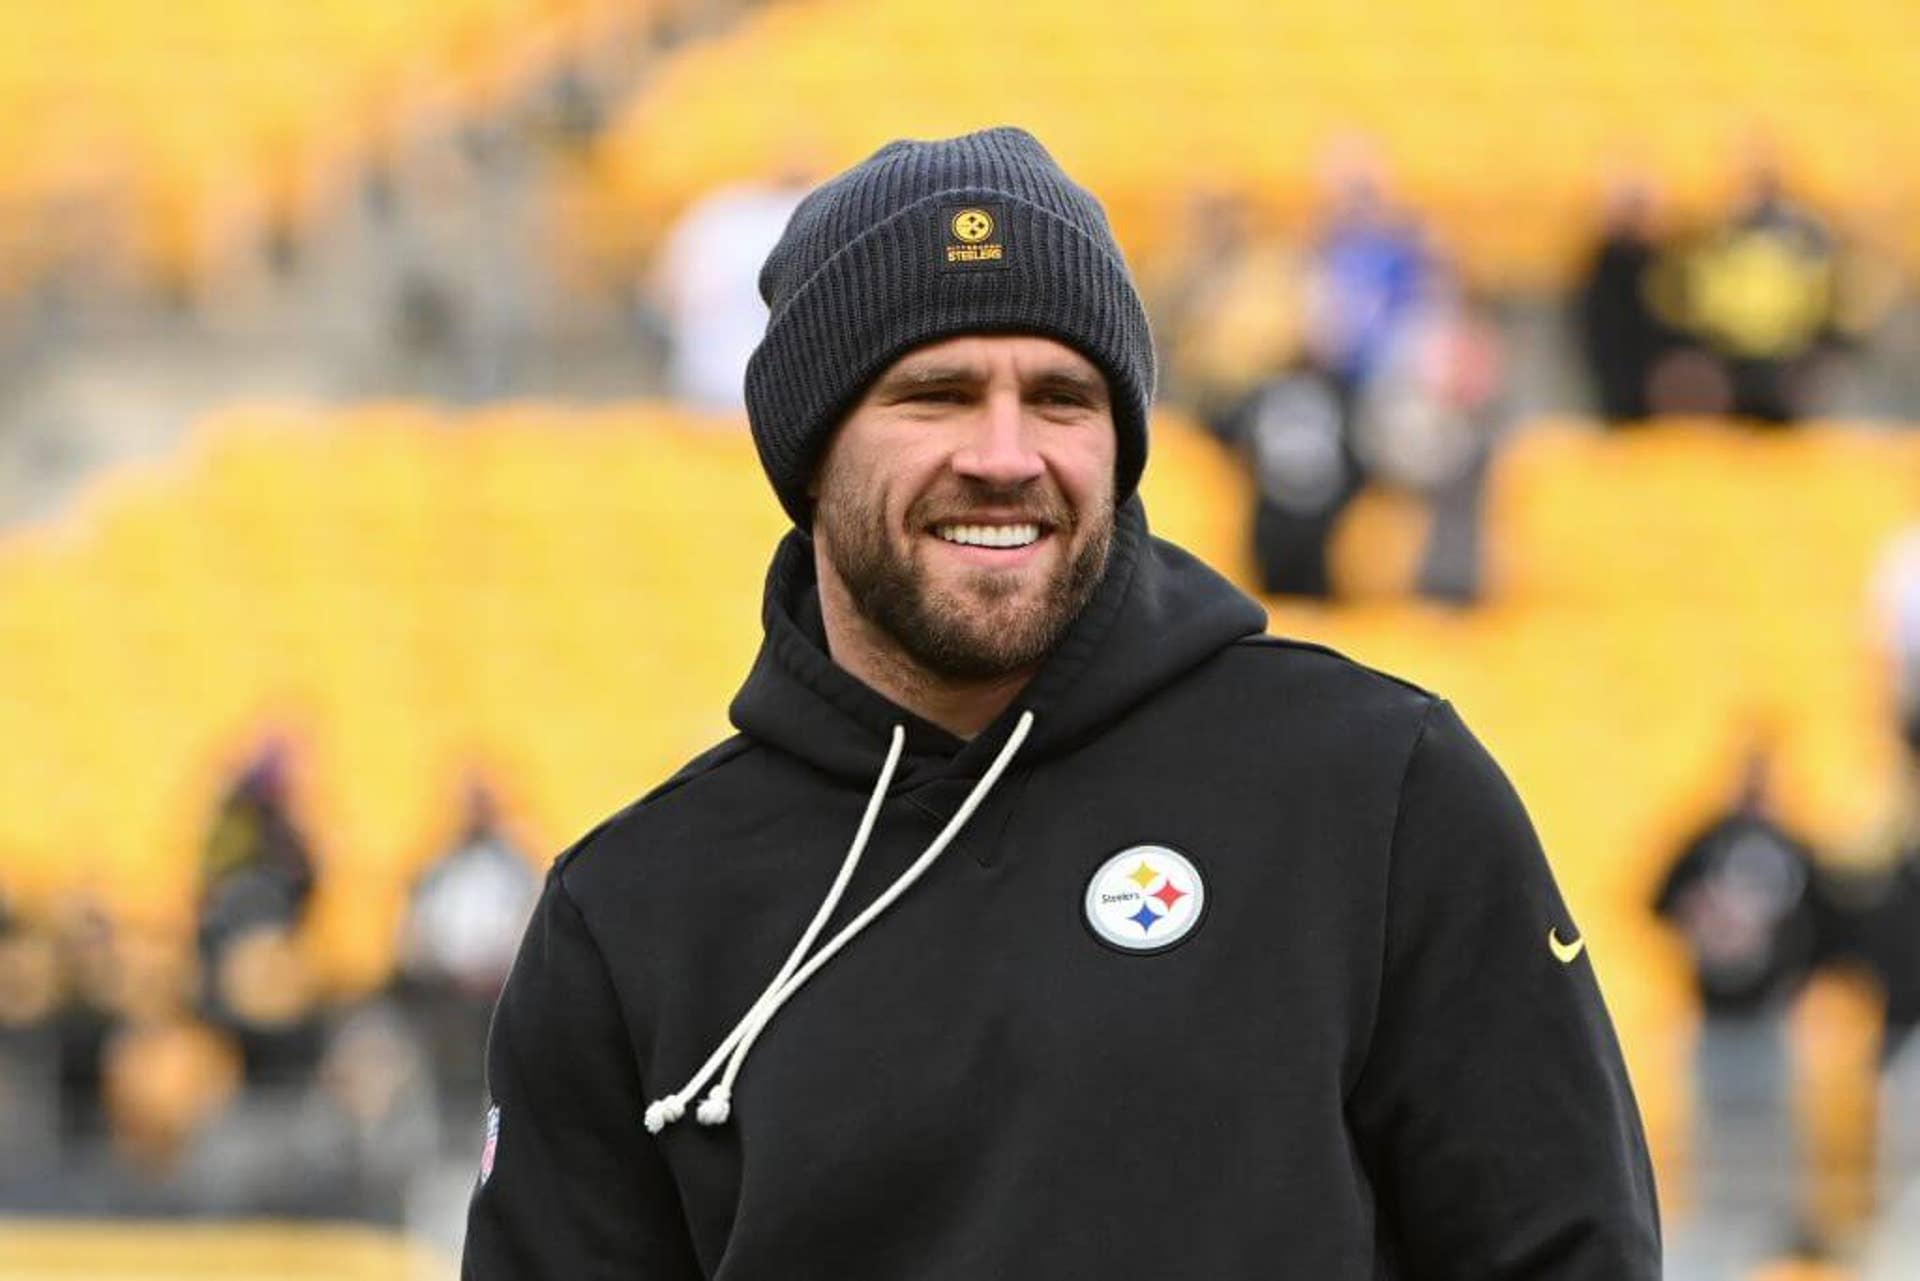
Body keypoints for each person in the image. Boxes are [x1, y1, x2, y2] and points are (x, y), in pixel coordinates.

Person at [462, 127, 1661, 1279]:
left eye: (1061, 398)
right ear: (810, 451)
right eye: (935, 393)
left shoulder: (1376, 791)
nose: (1005, 453)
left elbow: (1567, 1253)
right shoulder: (632, 912)